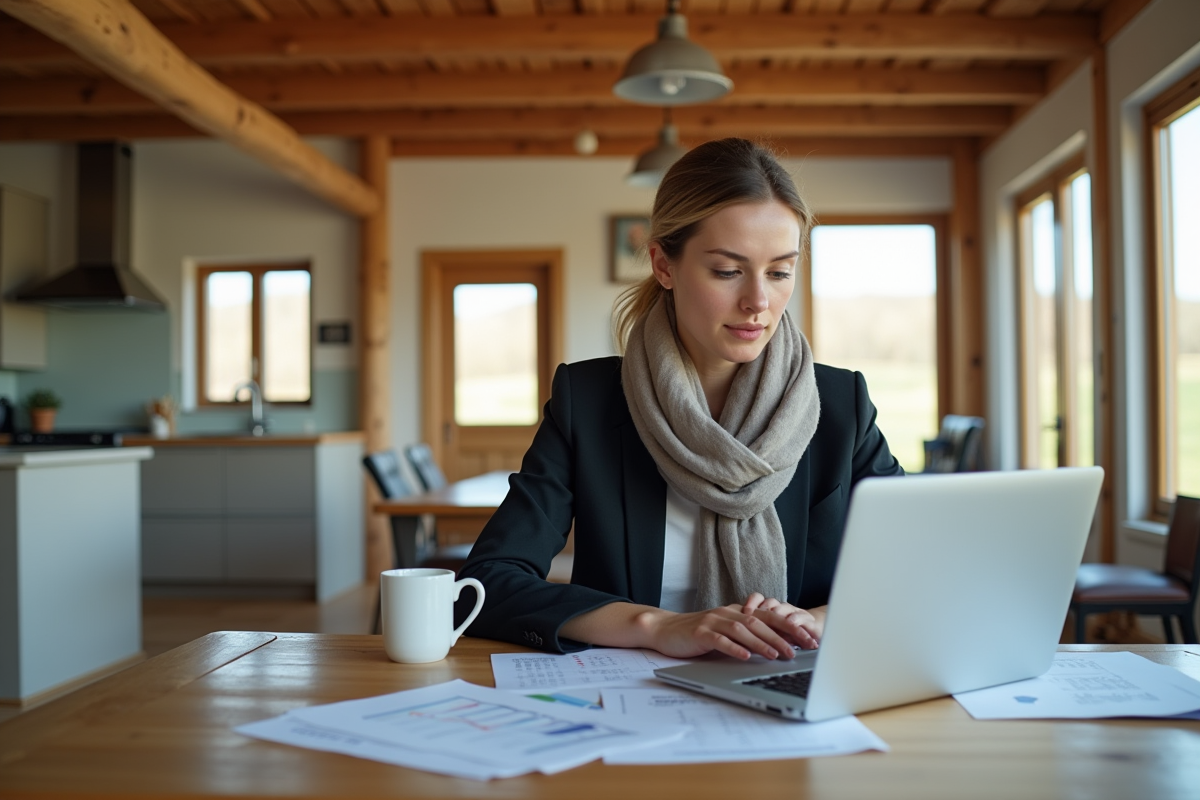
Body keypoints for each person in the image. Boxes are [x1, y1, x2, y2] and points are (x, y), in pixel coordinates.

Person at [456, 138, 902, 662]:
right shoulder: (588, 401)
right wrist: (656, 626)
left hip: (793, 682)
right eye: (728, 270)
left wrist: (819, 621)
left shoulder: (841, 403)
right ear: (664, 265)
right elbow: (486, 584)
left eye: (780, 271)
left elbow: (918, 561)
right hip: (632, 693)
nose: (759, 301)